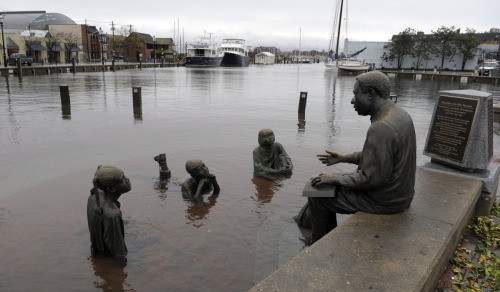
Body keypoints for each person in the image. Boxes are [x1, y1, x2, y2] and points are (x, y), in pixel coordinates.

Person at [308, 71, 416, 243]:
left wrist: (335, 178)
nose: (352, 101)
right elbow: (382, 159)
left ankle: (320, 243)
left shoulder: (380, 127)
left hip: (385, 201)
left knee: (316, 194)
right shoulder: (401, 115)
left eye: (355, 94)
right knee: (324, 182)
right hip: (402, 195)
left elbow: (369, 179)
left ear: (371, 94)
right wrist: (344, 158)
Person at [87, 165, 131, 258]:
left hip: (97, 249)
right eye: (123, 179)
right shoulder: (112, 214)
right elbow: (119, 252)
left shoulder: (94, 195)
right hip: (107, 256)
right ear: (111, 189)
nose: (128, 179)